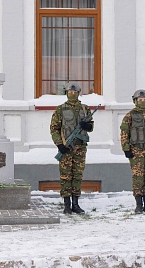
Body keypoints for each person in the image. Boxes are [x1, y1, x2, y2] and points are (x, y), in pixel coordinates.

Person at [50, 82, 94, 214]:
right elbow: (54, 129)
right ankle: (67, 205)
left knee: (77, 176)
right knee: (65, 176)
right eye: (70, 92)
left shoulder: (85, 109)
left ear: (78, 93)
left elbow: (91, 127)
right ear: (66, 93)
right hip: (66, 148)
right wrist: (59, 145)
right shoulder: (60, 109)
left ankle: (75, 203)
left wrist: (86, 126)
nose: (72, 94)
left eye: (75, 92)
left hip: (80, 148)